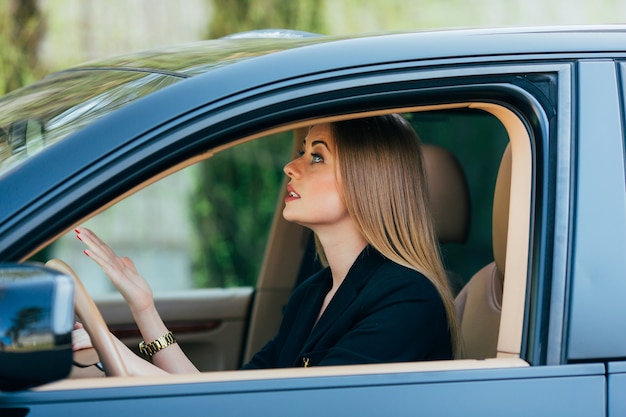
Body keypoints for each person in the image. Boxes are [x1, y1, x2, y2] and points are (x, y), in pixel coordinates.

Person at [72, 114, 460, 375]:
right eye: (300, 152)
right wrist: (144, 308)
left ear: (369, 179)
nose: (291, 167)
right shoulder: (312, 295)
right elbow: (228, 399)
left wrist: (111, 350)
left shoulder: (409, 301)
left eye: (317, 156)